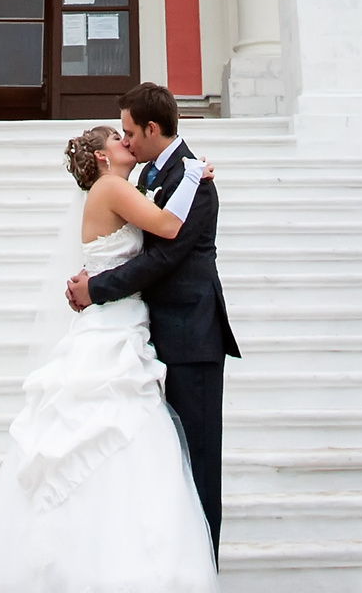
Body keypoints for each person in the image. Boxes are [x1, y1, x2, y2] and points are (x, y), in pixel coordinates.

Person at [0, 110, 221, 591]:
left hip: (121, 321)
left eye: (130, 133)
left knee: (111, 432)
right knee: (116, 430)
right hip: (114, 325)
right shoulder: (112, 188)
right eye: (120, 138)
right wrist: (196, 174)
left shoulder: (118, 191)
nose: (128, 143)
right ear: (102, 156)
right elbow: (165, 224)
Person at [71, 82, 239, 551]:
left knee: (199, 461)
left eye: (128, 132)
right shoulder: (144, 178)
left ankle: (204, 566)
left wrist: (96, 289)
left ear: (150, 128)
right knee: (164, 462)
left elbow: (164, 257)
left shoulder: (196, 182)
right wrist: (94, 272)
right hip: (150, 337)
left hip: (191, 337)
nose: (124, 141)